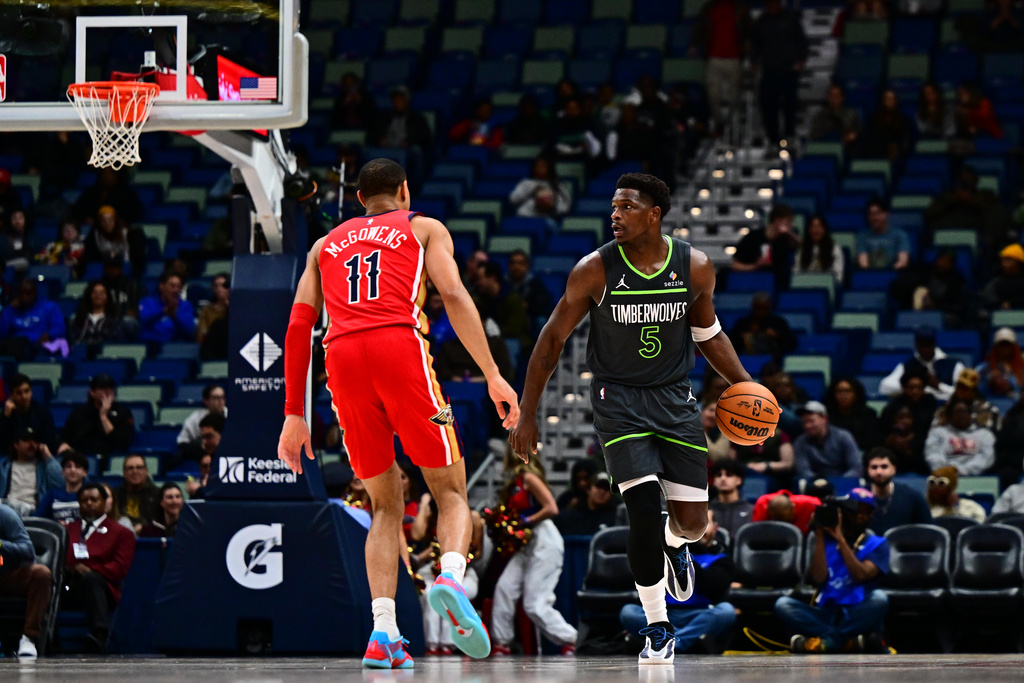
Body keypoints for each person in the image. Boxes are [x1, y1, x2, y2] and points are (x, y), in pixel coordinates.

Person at [277, 158, 520, 668]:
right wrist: (494, 374)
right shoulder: (424, 226)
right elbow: (453, 294)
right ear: (404, 191)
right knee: (450, 491)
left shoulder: (324, 246)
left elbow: (299, 326)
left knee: (384, 505)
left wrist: (293, 414)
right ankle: (452, 575)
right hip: (397, 348)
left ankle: (383, 633)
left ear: (360, 198)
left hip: (340, 358)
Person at [509, 172, 755, 666]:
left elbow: (708, 334)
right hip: (618, 400)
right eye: (613, 207)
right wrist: (528, 412)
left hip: (675, 399)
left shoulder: (696, 267)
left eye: (626, 207)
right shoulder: (594, 270)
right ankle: (658, 625)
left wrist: (745, 385)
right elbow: (551, 340)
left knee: (691, 524)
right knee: (642, 507)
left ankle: (674, 546)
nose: (615, 215)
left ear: (653, 214)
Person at [775, 489, 890, 653]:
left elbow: (861, 575)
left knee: (880, 599)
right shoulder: (822, 540)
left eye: (866, 512)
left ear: (872, 514)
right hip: (827, 612)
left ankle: (828, 641)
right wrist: (820, 534)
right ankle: (846, 641)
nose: (860, 516)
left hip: (857, 612)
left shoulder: (878, 543)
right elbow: (818, 578)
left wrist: (841, 540)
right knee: (783, 605)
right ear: (844, 512)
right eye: (855, 511)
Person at [490, 451, 578, 655]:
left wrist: (526, 521)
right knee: (504, 588)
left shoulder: (530, 478)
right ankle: (501, 643)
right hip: (526, 542)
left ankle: (569, 638)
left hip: (544, 538)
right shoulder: (514, 483)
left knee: (534, 603)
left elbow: (552, 508)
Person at [619, 509, 736, 654]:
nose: (697, 528)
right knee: (628, 612)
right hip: (663, 614)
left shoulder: (721, 559)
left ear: (715, 528)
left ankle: (671, 642)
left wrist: (682, 554)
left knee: (726, 611)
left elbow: (712, 587)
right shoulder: (661, 554)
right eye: (692, 523)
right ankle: (684, 641)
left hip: (700, 615)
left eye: (703, 523)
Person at [64, 483, 136, 653]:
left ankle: (99, 636)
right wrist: (73, 569)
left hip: (102, 588)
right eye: (84, 500)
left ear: (105, 503)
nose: (89, 503)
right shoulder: (66, 529)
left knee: (90, 579)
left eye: (94, 499)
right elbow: (60, 559)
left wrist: (91, 570)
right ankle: (40, 637)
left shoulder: (121, 532)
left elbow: (120, 568)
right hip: (69, 583)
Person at [691, 0, 752, 136]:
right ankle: (720, 123)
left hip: (734, 58)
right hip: (714, 58)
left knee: (734, 97)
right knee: (713, 95)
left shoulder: (740, 9)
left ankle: (733, 126)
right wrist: (694, 43)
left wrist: (747, 43)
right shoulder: (708, 9)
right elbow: (700, 27)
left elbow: (749, 29)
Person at [0, 502, 53, 659]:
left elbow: (27, 551)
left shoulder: (5, 515)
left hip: (12, 574)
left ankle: (29, 638)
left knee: (41, 574)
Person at [752, 0, 807, 149]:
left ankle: (789, 135)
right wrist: (753, 61)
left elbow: (801, 41)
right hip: (769, 71)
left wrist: (801, 60)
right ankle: (773, 139)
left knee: (790, 105)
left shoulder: (790, 19)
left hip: (788, 70)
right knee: (768, 107)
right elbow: (755, 44)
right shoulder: (761, 22)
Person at [58, 374, 135, 458]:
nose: (108, 392)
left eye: (110, 388)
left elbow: (123, 442)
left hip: (109, 457)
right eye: (103, 388)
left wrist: (103, 416)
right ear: (92, 392)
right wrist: (64, 445)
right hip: (81, 459)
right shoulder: (79, 413)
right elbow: (65, 437)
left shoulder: (123, 412)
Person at [879, 327, 964, 401]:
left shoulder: (954, 364)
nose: (925, 348)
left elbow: (964, 393)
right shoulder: (907, 365)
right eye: (922, 345)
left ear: (935, 344)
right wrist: (914, 388)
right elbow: (884, 386)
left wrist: (939, 386)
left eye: (929, 344)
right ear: (916, 345)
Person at [879, 367, 937, 474]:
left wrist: (911, 442)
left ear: (924, 389)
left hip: (921, 452)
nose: (915, 391)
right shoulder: (893, 407)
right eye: (911, 387)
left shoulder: (930, 405)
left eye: (918, 387)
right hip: (895, 451)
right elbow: (882, 431)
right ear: (904, 388)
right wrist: (893, 439)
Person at [730, 204, 800, 291]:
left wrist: (789, 233)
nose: (790, 225)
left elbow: (800, 246)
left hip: (777, 286)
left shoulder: (786, 239)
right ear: (777, 220)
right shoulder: (753, 237)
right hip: (754, 283)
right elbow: (735, 265)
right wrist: (755, 266)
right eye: (788, 221)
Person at [863, 447, 931, 535]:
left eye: (884, 467)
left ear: (894, 469)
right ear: (867, 470)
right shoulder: (857, 497)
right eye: (874, 467)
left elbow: (929, 532)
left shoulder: (912, 497)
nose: (879, 471)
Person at [0, 427, 63, 517]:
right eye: (26, 440)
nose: (32, 444)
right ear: (16, 444)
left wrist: (49, 458)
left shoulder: (45, 467)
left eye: (35, 441)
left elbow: (61, 484)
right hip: (7, 512)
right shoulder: (3, 467)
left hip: (34, 513)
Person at [924, 398, 996, 475]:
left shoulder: (984, 434)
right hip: (943, 475)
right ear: (949, 415)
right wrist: (945, 470)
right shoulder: (938, 433)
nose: (962, 415)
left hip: (974, 477)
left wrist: (962, 470)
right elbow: (932, 454)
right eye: (958, 412)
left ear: (970, 414)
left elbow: (986, 457)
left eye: (965, 412)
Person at [0, 278, 67, 360]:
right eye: (22, 294)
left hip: (39, 347)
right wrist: (9, 309)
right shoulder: (12, 309)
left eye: (28, 293)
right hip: (16, 347)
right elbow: (2, 333)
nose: (25, 297)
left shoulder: (49, 307)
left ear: (35, 293)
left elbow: (60, 328)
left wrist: (49, 334)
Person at [793, 401, 862, 480]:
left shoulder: (843, 437)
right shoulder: (800, 442)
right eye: (804, 422)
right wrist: (820, 483)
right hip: (814, 485)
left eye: (811, 421)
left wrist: (839, 481)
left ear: (824, 419)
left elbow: (856, 468)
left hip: (843, 482)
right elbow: (803, 470)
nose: (807, 426)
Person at [728, 291, 798, 362]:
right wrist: (741, 337)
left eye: (764, 308)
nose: (761, 312)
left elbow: (792, 344)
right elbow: (729, 343)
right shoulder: (742, 323)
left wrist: (777, 336)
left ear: (769, 307)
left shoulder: (778, 323)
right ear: (753, 306)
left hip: (772, 361)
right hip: (745, 360)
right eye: (758, 308)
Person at [0, 373, 56, 454]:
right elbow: (2, 444)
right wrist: (6, 418)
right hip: (13, 459)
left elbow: (50, 441)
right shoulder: (6, 414)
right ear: (12, 395)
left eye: (27, 391)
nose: (24, 396)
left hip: (38, 458)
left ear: (31, 391)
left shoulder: (42, 412)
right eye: (19, 393)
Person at [137, 271, 196, 344]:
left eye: (179, 287)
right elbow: (143, 321)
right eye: (172, 286)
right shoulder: (147, 302)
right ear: (161, 286)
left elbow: (189, 331)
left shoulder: (185, 306)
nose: (176, 290)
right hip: (149, 344)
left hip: (176, 347)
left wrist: (174, 317)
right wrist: (163, 312)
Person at [554, 471, 620, 536]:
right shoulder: (568, 517)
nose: (602, 491)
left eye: (607, 489)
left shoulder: (615, 520)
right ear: (588, 489)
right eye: (598, 486)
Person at [34, 450, 89, 525]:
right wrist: (55, 524)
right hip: (58, 534)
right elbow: (37, 518)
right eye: (68, 466)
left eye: (77, 466)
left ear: (85, 473)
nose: (72, 470)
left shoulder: (89, 495)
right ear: (62, 472)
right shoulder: (52, 494)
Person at [824, 377, 879, 451]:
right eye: (839, 391)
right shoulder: (825, 415)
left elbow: (872, 442)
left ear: (856, 394)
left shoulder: (869, 414)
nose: (843, 395)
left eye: (848, 391)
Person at [509, 156, 571, 221]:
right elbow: (513, 199)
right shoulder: (526, 183)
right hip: (525, 217)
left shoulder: (557, 185)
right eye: (537, 166)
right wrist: (532, 191)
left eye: (543, 166)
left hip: (547, 219)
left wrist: (552, 206)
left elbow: (566, 206)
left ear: (549, 169)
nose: (540, 169)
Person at [175, 384, 227, 462]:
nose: (221, 401)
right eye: (216, 398)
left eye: (222, 397)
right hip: (200, 454)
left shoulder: (233, 416)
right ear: (206, 401)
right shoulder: (195, 418)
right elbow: (182, 443)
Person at [69, 281, 127, 347]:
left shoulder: (115, 321)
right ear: (89, 295)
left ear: (107, 296)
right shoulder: (78, 320)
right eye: (95, 292)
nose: (98, 295)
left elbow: (117, 345)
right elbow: (73, 342)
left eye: (102, 292)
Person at [856, 199, 910, 271]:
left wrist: (888, 275)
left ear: (886, 214)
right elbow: (863, 263)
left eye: (877, 213)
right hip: (870, 275)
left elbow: (903, 261)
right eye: (870, 214)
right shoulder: (862, 236)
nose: (874, 218)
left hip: (894, 274)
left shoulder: (900, 234)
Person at [113, 454, 160, 534]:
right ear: (124, 472)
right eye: (130, 468)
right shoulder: (115, 494)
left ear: (146, 471)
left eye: (139, 467)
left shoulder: (158, 494)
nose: (135, 471)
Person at [792, 215, 844, 284]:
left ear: (824, 229)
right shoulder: (802, 248)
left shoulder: (834, 248)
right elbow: (796, 271)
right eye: (812, 226)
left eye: (819, 226)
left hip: (826, 284)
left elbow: (838, 276)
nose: (815, 230)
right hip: (805, 284)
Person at [709, 459, 754, 538]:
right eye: (719, 475)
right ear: (714, 481)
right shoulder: (707, 510)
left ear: (739, 480)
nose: (723, 478)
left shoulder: (751, 510)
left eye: (729, 475)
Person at [864, 89, 911, 162]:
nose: (889, 101)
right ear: (883, 100)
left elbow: (905, 139)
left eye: (892, 98)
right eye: (887, 98)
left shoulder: (903, 120)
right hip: (878, 150)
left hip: (897, 152)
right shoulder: (874, 119)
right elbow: (870, 137)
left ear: (895, 101)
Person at [977, 327, 1024, 401]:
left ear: (1013, 346)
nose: (1004, 348)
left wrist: (1010, 384)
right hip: (989, 403)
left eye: (1007, 344)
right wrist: (989, 381)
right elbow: (976, 390)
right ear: (995, 346)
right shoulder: (983, 368)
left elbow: (1020, 390)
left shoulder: (1022, 369)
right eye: (1001, 344)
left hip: (1015, 405)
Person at [810, 84, 862, 149]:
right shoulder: (820, 116)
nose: (834, 99)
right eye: (832, 96)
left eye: (837, 96)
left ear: (842, 97)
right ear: (828, 98)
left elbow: (858, 131)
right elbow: (815, 135)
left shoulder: (851, 114)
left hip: (847, 148)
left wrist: (852, 136)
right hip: (825, 147)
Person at [752, 489, 822, 534]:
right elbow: (757, 535)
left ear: (793, 508)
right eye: (777, 519)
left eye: (785, 520)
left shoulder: (811, 504)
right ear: (768, 511)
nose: (782, 524)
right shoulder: (762, 504)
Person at [980, 243, 1024, 312]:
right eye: (1003, 260)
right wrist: (1000, 303)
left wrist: (1012, 303)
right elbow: (989, 296)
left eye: (1008, 260)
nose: (1004, 263)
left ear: (1018, 262)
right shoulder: (996, 281)